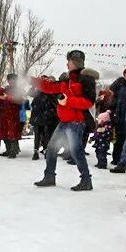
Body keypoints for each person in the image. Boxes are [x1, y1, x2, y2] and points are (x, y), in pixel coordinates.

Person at [33, 50, 97, 191]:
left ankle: (86, 180)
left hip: (76, 122)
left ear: (76, 62)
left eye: (69, 61)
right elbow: (51, 87)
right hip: (63, 122)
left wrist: (68, 101)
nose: (67, 63)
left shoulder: (86, 79)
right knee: (51, 149)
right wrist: (33, 81)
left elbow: (88, 102)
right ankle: (49, 176)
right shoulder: (66, 80)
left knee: (76, 152)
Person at [0, 74, 25, 158]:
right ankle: (8, 149)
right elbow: (1, 99)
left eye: (13, 79)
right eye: (10, 79)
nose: (11, 81)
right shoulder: (5, 89)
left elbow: (20, 100)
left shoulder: (19, 90)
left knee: (13, 132)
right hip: (5, 113)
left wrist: (8, 98)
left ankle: (13, 151)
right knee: (5, 131)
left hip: (14, 113)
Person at [29, 87, 58, 160]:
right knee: (43, 136)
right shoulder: (48, 94)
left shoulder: (41, 94)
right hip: (43, 118)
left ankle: (38, 151)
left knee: (39, 136)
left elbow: (33, 105)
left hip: (41, 118)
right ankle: (43, 151)